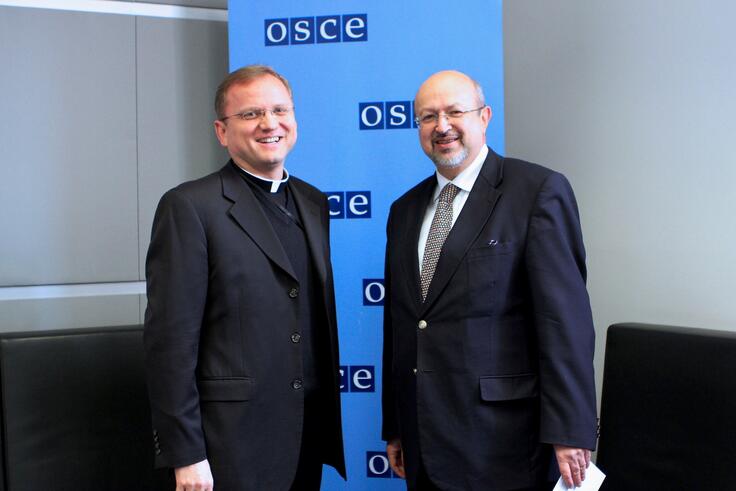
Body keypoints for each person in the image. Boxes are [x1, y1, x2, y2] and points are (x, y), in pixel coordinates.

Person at [381, 70, 597, 491]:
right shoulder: (403, 210)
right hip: (424, 440)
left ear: (484, 116)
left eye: (455, 112)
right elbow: (400, 324)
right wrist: (397, 424)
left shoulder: (536, 192)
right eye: (428, 117)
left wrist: (571, 430)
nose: (442, 126)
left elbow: (564, 323)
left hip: (505, 444)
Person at [144, 65, 345, 491]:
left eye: (280, 110)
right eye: (251, 113)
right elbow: (170, 343)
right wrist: (186, 454)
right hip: (228, 448)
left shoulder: (313, 202)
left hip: (304, 438)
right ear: (222, 131)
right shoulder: (190, 207)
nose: (270, 123)